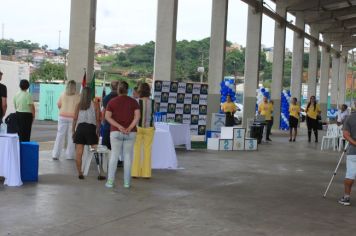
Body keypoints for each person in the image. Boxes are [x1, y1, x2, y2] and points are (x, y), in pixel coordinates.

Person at [105, 81, 140, 188]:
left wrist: (118, 126)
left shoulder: (112, 102)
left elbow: (107, 117)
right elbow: (137, 116)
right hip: (131, 133)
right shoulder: (134, 102)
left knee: (114, 156)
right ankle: (127, 183)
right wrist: (129, 127)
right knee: (128, 157)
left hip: (115, 132)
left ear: (118, 89)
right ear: (127, 89)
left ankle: (110, 182)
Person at [72, 87, 100, 180]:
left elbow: (75, 118)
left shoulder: (78, 105)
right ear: (90, 94)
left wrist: (73, 130)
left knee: (79, 152)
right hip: (91, 129)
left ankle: (80, 173)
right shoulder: (96, 104)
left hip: (80, 128)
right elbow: (98, 119)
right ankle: (100, 172)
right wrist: (98, 131)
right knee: (95, 151)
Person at [131, 83, 155, 178]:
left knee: (136, 150)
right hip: (149, 128)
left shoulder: (136, 101)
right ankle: (146, 174)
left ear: (139, 91)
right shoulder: (153, 102)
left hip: (137, 127)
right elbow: (153, 113)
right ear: (149, 91)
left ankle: (135, 173)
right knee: (147, 150)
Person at [52, 80, 80, 160]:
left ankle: (55, 155)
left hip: (62, 117)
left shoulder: (62, 95)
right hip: (73, 118)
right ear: (75, 87)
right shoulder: (78, 96)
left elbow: (59, 105)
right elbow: (79, 108)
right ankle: (69, 155)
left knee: (60, 135)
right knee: (71, 136)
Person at [101, 80, 123, 167]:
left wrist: (103, 121)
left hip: (108, 123)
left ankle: (105, 161)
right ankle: (116, 161)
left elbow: (104, 111)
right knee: (116, 145)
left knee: (106, 143)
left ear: (110, 87)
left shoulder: (106, 98)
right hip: (118, 124)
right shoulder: (122, 98)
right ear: (118, 87)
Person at [338, 110, 356, 206]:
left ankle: (346, 197)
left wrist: (354, 143)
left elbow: (345, 135)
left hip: (353, 151)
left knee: (350, 174)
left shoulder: (349, 118)